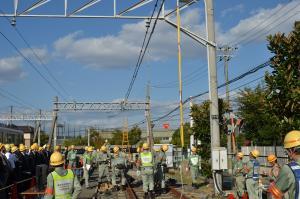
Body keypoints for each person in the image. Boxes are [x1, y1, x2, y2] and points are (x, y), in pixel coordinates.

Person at [269, 130, 300, 198]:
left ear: (292, 150)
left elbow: (274, 195)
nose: (287, 154)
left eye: (287, 151)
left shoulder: (289, 169)